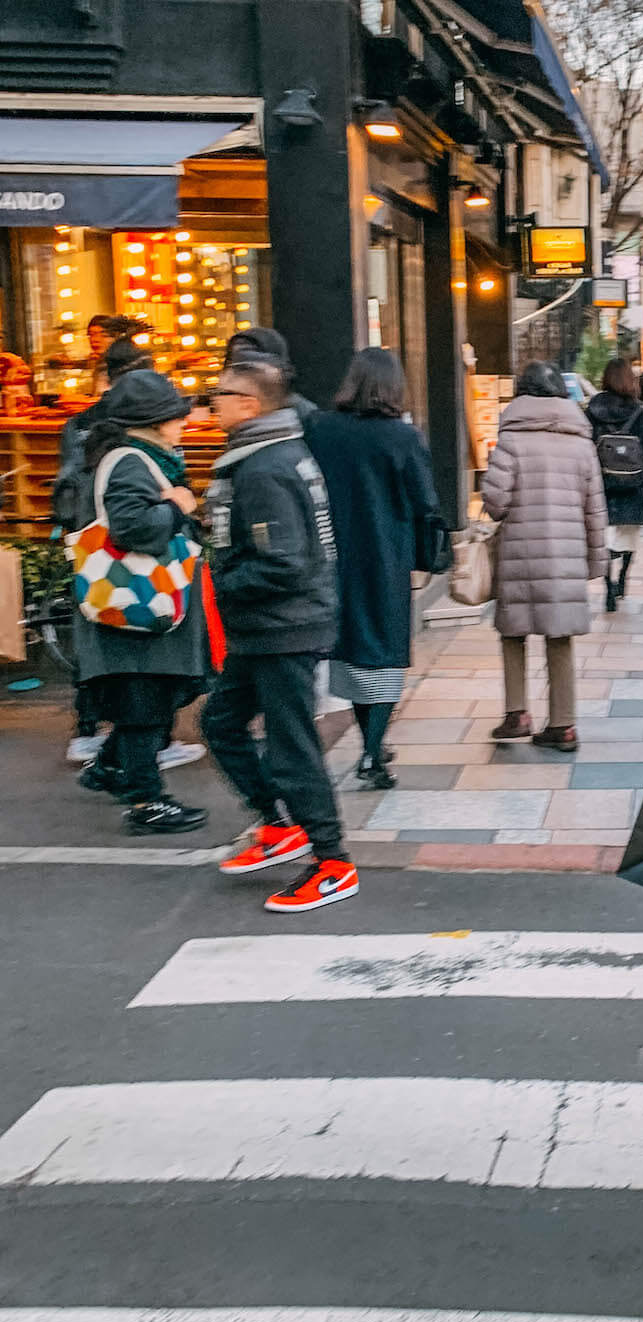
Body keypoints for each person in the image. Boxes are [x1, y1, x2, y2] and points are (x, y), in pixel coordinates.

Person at [202, 352, 356, 913]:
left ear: (248, 404)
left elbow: (284, 561)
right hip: (268, 626)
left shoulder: (265, 467)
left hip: (282, 625)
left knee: (293, 747)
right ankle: (278, 824)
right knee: (221, 723)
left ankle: (332, 861)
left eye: (218, 395)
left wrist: (224, 581)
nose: (209, 404)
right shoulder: (274, 453)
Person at [73, 371, 210, 835]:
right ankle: (146, 802)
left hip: (137, 605)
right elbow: (132, 528)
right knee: (144, 703)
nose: (184, 421)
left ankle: (110, 769)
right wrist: (178, 508)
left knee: (153, 697)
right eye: (176, 415)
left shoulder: (142, 458)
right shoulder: (133, 461)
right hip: (136, 605)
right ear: (154, 421)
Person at [304, 348, 444, 792]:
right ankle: (370, 753)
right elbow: (425, 501)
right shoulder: (401, 437)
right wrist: (430, 555)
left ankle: (371, 745)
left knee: (351, 652)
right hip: (385, 554)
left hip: (329, 555)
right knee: (383, 653)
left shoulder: (320, 429)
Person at [481, 360, 607, 752]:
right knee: (560, 636)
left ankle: (517, 714)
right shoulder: (581, 442)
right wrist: (597, 561)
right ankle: (563, 724)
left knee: (513, 631)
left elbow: (495, 502)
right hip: (566, 553)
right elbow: (594, 508)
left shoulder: (512, 439)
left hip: (520, 550)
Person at [586, 359, 643, 613]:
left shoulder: (592, 410)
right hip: (633, 485)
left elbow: (585, 447)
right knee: (628, 538)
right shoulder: (642, 412)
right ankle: (623, 579)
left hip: (603, 485)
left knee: (606, 538)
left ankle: (608, 585)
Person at [223, 325, 318, 423]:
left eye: (248, 365)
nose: (240, 373)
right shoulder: (232, 410)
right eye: (233, 360)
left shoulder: (304, 414)